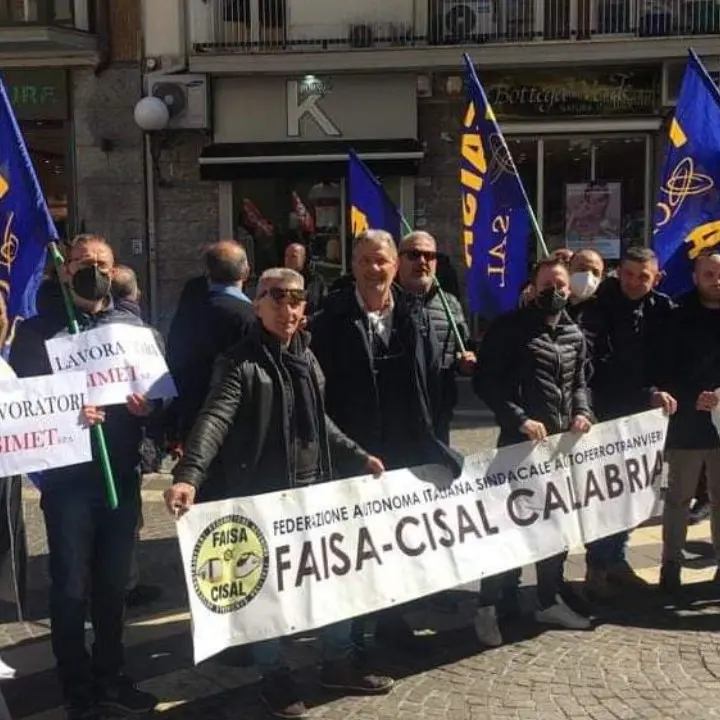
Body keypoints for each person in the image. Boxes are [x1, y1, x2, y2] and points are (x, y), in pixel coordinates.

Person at [164, 268, 394, 719]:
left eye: (296, 299)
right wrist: (189, 473)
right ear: (258, 304)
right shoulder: (238, 363)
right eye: (277, 299)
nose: (288, 309)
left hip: (314, 493)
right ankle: (273, 676)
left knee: (332, 580)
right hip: (262, 497)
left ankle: (337, 660)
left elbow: (318, 422)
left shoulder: (306, 357)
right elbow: (214, 418)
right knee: (263, 591)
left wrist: (357, 456)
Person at [9, 235, 158, 720]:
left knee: (113, 587)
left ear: (115, 271)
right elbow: (24, 407)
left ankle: (112, 674)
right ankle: (76, 686)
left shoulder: (131, 325)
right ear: (64, 268)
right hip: (69, 481)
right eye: (82, 262)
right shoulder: (38, 332)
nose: (91, 269)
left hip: (121, 472)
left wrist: (148, 405)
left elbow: (158, 395)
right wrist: (67, 412)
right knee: (71, 587)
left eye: (101, 263)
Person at [310, 229, 463, 647]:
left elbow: (427, 383)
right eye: (365, 261)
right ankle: (351, 637)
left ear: (394, 266)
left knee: (396, 540)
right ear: (353, 267)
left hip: (404, 448)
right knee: (357, 546)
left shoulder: (416, 315)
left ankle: (392, 619)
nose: (374, 268)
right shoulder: (328, 322)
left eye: (382, 261)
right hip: (353, 452)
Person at [473, 257, 593, 647]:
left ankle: (548, 598)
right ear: (531, 287)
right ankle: (488, 606)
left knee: (555, 527)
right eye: (546, 286)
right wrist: (519, 418)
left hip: (558, 448)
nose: (553, 292)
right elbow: (487, 382)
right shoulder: (509, 328)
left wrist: (582, 411)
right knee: (506, 527)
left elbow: (580, 382)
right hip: (518, 446)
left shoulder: (575, 333)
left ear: (568, 289)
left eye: (559, 286)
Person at [584, 246, 677, 598]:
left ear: (656, 278)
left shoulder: (664, 309)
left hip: (647, 420)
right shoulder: (597, 309)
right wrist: (647, 392)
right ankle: (597, 566)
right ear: (617, 273)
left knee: (635, 494)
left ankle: (616, 560)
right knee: (606, 495)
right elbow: (602, 366)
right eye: (629, 275)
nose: (635, 283)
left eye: (644, 277)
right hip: (607, 415)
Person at [658, 250, 720, 594]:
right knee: (679, 498)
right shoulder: (678, 313)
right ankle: (670, 565)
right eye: (709, 274)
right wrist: (691, 393)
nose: (716, 281)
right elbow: (665, 365)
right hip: (686, 422)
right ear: (696, 277)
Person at [166, 240, 257, 446]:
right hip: (233, 418)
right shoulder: (248, 317)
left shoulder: (191, 307)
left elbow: (175, 356)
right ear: (246, 271)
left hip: (193, 412)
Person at [109, 267, 163, 610]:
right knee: (126, 517)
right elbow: (161, 393)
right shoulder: (144, 333)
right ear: (136, 294)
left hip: (120, 443)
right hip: (127, 445)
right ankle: (124, 584)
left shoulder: (142, 333)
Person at [396, 231, 475, 444]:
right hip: (397, 417)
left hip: (439, 413)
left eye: (430, 256)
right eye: (413, 255)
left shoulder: (450, 304)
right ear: (397, 261)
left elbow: (462, 348)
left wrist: (465, 361)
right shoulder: (387, 302)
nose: (422, 261)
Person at [283, 242, 328, 316]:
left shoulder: (316, 281)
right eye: (286, 256)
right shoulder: (279, 280)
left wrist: (309, 319)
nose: (288, 260)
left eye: (293, 256)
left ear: (303, 258)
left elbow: (324, 307)